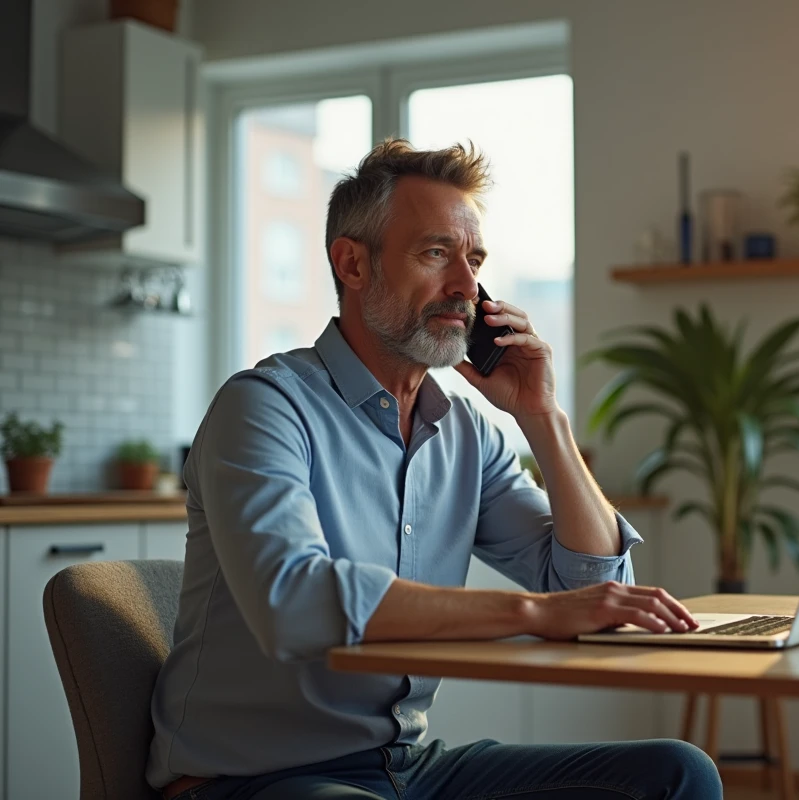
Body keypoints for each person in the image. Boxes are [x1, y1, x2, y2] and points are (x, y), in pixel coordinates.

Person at [146, 139, 723, 800]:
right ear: (352, 263)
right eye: (436, 253)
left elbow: (587, 584)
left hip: (407, 768)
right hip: (251, 779)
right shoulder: (263, 407)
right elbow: (293, 604)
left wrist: (543, 417)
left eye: (474, 260)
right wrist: (536, 611)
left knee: (677, 774)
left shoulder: (467, 432)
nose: (467, 288)